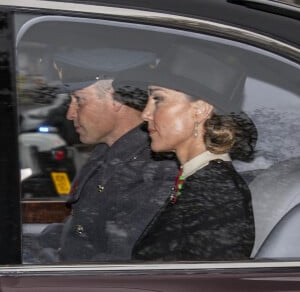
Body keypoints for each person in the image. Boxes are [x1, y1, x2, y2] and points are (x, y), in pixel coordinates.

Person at [30, 49, 178, 263]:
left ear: (117, 99)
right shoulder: (107, 153)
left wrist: (46, 261)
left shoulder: (155, 171)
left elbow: (119, 266)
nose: (70, 114)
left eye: (79, 100)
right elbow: (83, 229)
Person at [113, 44, 256, 261]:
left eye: (158, 99)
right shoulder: (199, 178)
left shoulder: (218, 191)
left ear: (200, 109)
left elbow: (210, 282)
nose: (145, 114)